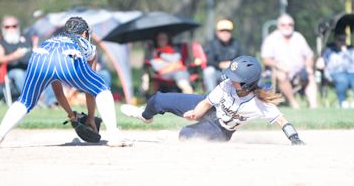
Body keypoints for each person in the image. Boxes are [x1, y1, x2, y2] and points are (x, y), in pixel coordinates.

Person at [0, 17, 131, 147]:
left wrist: (71, 115)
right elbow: (90, 91)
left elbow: (58, 91)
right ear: (85, 34)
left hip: (40, 57)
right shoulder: (87, 45)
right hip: (68, 58)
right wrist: (91, 117)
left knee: (25, 101)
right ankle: (113, 135)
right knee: (102, 89)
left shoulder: (51, 40)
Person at [121, 55, 305, 145]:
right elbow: (207, 102)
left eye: (236, 78)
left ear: (247, 83)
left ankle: (171, 136)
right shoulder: (227, 85)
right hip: (209, 109)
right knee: (158, 99)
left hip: (220, 130)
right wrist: (196, 113)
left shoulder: (259, 103)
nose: (230, 79)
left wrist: (295, 139)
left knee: (187, 135)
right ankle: (145, 116)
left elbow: (282, 121)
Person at [0, 15, 57, 108]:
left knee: (46, 71)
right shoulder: (0, 42)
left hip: (30, 67)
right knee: (19, 74)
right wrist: (14, 56)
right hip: (12, 70)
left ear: (18, 26)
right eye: (7, 26)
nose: (11, 28)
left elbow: (35, 50)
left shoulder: (27, 38)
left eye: (14, 26)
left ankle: (52, 102)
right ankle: (31, 100)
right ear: (3, 28)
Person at [261, 14, 318, 109]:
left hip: (299, 73)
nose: (287, 27)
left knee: (310, 76)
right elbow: (266, 60)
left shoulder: (298, 37)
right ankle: (293, 103)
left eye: (290, 24)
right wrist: (278, 66)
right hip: (280, 72)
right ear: (279, 26)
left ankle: (314, 106)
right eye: (283, 25)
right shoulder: (271, 39)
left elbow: (309, 56)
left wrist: (308, 67)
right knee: (281, 75)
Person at [316, 33, 354, 108]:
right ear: (335, 40)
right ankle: (342, 102)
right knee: (342, 80)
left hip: (353, 72)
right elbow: (320, 64)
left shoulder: (350, 49)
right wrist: (321, 61)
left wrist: (346, 52)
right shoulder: (329, 50)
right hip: (337, 73)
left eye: (344, 40)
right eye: (340, 40)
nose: (342, 42)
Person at [203, 19, 243, 92]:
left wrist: (232, 64)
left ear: (231, 32)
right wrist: (219, 64)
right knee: (209, 71)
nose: (225, 33)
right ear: (217, 32)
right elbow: (209, 61)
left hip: (232, 72)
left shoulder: (236, 43)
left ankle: (241, 95)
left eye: (228, 31)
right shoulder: (211, 44)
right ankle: (211, 95)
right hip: (217, 72)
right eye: (222, 31)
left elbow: (242, 59)